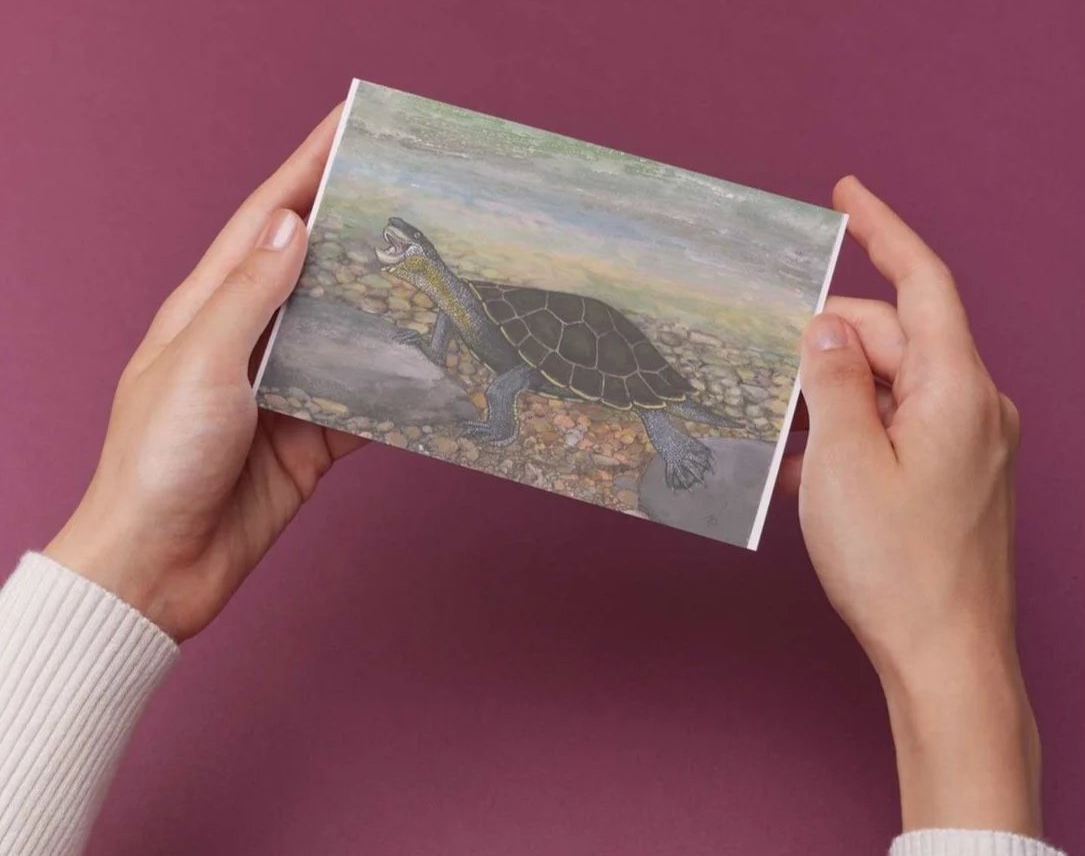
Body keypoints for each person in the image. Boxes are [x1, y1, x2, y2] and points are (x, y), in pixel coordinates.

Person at [0, 107, 1064, 856]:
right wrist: (955, 662)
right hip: (533, 337)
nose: (412, 261)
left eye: (415, 251)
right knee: (502, 350)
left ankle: (669, 431)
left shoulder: (500, 306)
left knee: (555, 369)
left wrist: (126, 560)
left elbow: (532, 348)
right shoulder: (471, 301)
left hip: (602, 357)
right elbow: (496, 345)